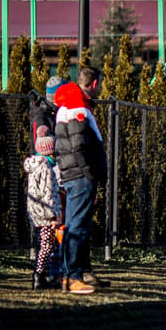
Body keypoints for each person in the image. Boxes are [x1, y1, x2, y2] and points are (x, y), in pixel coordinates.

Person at [53, 65, 107, 294]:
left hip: (73, 173)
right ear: (94, 84)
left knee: (76, 224)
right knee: (77, 226)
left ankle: (74, 273)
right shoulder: (78, 106)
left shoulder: (69, 103)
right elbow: (79, 144)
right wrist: (89, 172)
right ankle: (72, 276)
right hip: (80, 175)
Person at [23, 126, 64, 290]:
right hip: (46, 212)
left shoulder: (35, 166)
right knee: (47, 245)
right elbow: (49, 193)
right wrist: (54, 216)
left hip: (36, 211)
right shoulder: (46, 167)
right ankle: (38, 276)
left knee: (45, 243)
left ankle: (41, 275)